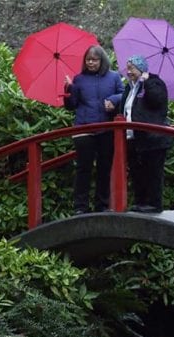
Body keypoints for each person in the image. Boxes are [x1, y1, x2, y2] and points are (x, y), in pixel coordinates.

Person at [64, 45, 124, 215]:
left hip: (107, 128)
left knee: (104, 168)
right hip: (84, 127)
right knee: (84, 168)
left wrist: (113, 99)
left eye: (94, 59)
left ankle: (102, 205)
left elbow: (124, 94)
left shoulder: (114, 77)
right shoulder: (79, 79)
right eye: (88, 59)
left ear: (102, 60)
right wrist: (69, 89)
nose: (90, 62)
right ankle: (80, 207)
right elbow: (71, 106)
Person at [115, 55, 172, 213]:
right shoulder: (130, 87)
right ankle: (141, 202)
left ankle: (154, 204)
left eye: (132, 68)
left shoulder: (154, 82)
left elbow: (157, 100)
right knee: (137, 172)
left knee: (153, 171)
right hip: (133, 137)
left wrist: (146, 82)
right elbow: (126, 108)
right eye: (128, 68)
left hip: (153, 137)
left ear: (141, 69)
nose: (129, 71)